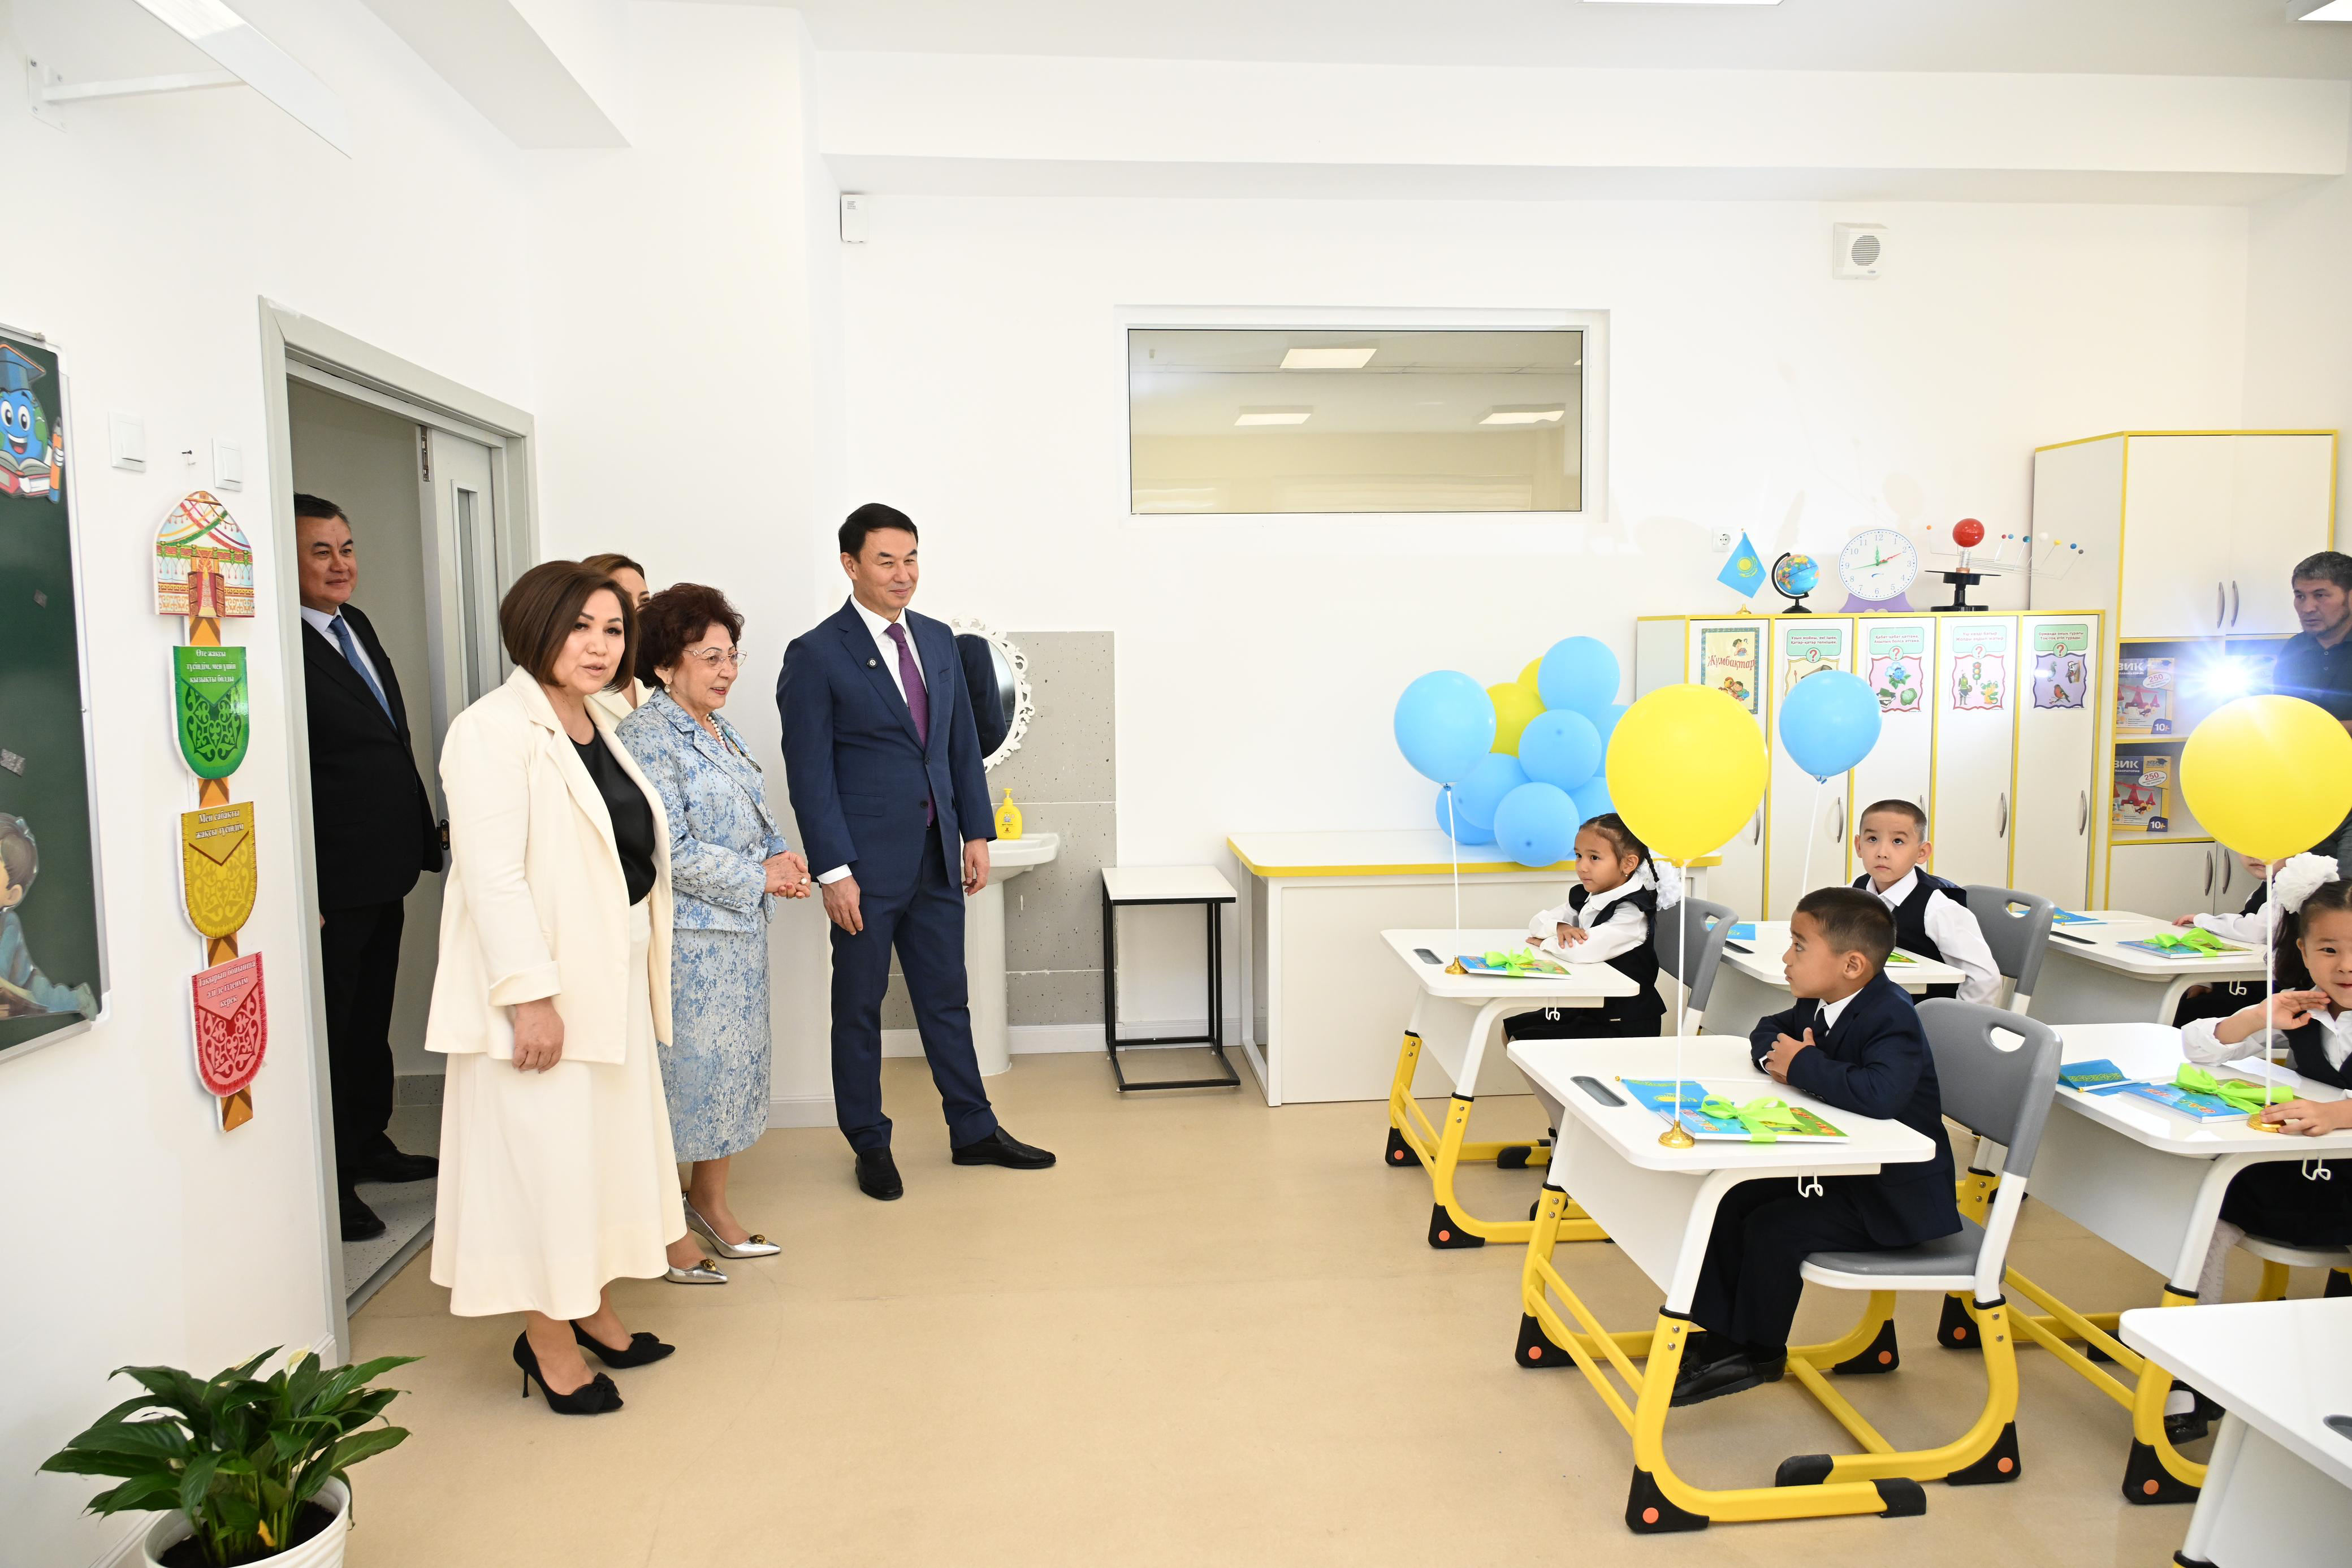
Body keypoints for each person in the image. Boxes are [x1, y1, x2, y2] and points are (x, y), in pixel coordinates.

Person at [426, 560, 720, 1418]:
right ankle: (548, 1341)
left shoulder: (596, 719)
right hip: (544, 988)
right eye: (580, 627)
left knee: (596, 1162)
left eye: (613, 629)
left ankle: (591, 1307)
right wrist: (531, 997)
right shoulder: (491, 730)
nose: (600, 646)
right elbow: (493, 878)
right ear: (535, 628)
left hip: (610, 973)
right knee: (545, 1170)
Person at [778, 503, 1056, 1200]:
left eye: (911, 558)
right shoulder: (816, 654)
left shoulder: (936, 639)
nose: (903, 574)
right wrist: (833, 871)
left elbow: (959, 747)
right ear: (850, 565)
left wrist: (976, 832)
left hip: (937, 857)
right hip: (864, 869)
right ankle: (868, 1141)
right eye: (886, 560)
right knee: (859, 1008)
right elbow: (809, 775)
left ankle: (974, 1129)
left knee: (946, 999)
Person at [1673, 887, 1960, 1406]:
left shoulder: (1891, 1015)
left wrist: (1803, 1066)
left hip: (1891, 1198)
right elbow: (1767, 1031)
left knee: (1774, 1228)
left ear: (1852, 965)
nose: (1786, 957)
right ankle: (1721, 1336)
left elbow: (1882, 1094)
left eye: (1799, 946)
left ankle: (1760, 1352)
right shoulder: (1819, 1000)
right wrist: (1781, 1060)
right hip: (1842, 1171)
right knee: (1732, 1198)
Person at [618, 584, 811, 1263]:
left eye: (732, 655)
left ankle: (709, 1200)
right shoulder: (645, 737)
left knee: (730, 1076)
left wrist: (781, 857)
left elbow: (751, 810)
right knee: (685, 1083)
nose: (727, 670)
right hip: (687, 948)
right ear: (664, 663)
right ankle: (661, 1225)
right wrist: (760, 874)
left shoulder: (717, 727)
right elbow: (668, 848)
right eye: (710, 657)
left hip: (736, 939)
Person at [293, 494, 444, 1243]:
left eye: (346, 547)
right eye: (320, 551)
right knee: (331, 1027)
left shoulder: (355, 624)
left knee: (368, 1022)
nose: (340, 564)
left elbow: (388, 740)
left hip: (384, 866)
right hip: (331, 881)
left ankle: (369, 1139)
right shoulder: (279, 642)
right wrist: (303, 884)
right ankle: (333, 1177)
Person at [2166, 860, 2352, 1441]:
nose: (2345, 966)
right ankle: (2190, 1370)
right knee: (2206, 1218)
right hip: (2296, 1174)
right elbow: (2196, 1048)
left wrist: (2336, 1114)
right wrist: (2256, 1016)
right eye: (2328, 950)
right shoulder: (2303, 1008)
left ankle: (2336, 1380)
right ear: (2303, 951)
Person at [1506, 813, 1676, 1041]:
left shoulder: (1632, 912)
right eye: (1578, 855)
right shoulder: (1591, 894)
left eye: (1594, 858)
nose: (1582, 867)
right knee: (1511, 1029)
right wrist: (1560, 927)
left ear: (1628, 863)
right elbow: (1537, 923)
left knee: (1523, 1041)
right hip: (1590, 1006)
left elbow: (1580, 951)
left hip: (1624, 1022)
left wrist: (1545, 942)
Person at [1847, 799, 2001, 1005]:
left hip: (1922, 1013)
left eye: (1898, 841)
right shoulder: (1852, 891)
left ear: (1922, 853)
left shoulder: (1939, 908)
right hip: (1875, 1004)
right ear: (1859, 846)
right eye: (1872, 839)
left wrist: (1954, 1022)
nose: (1882, 852)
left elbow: (1984, 979)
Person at [2271, 550, 2352, 868]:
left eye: (2321, 595)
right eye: (2300, 596)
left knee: (2345, 891)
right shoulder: (2294, 649)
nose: (2307, 608)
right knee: (2301, 888)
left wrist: (2324, 730)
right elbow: (2283, 717)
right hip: (2307, 793)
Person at [2169, 852, 2316, 1025]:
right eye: (2247, 847)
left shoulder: (2295, 890)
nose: (2256, 855)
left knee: (2181, 1015)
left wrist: (2203, 920)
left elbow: (2258, 931)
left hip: (2268, 998)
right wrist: (2209, 981)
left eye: (2269, 848)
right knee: (2180, 1003)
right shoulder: (2264, 887)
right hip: (2240, 984)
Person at [0, 815, 95, 1019]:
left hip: (27, 985)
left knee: (50, 999)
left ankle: (80, 998)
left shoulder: (8, 924)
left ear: (12, 895)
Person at [582, 553, 653, 720]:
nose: (637, 609)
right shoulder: (577, 676)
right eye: (624, 600)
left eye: (644, 600)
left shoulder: (661, 670)